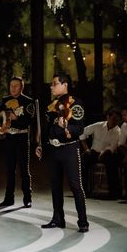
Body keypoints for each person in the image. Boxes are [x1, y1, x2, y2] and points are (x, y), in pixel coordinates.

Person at [37, 73, 89, 233]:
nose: (51, 86)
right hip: (53, 150)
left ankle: (83, 221)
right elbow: (47, 130)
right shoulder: (51, 105)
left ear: (64, 85)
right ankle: (58, 219)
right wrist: (41, 145)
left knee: (75, 185)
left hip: (69, 149)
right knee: (55, 186)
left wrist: (66, 125)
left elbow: (79, 129)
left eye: (54, 84)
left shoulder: (75, 103)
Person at [0, 76, 36, 208]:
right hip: (9, 138)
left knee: (24, 170)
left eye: (16, 86)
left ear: (22, 87)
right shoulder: (5, 100)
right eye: (11, 86)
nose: (13, 88)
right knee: (9, 169)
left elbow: (28, 122)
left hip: (22, 138)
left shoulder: (28, 102)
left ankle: (27, 198)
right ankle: (8, 199)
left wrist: (14, 117)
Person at [80, 108, 121, 199]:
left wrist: (104, 153)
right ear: (108, 117)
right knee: (84, 160)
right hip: (94, 152)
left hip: (107, 153)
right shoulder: (98, 126)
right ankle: (83, 191)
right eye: (113, 118)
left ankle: (113, 193)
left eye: (117, 119)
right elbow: (82, 133)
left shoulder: (118, 130)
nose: (115, 121)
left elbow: (113, 147)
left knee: (112, 163)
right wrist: (86, 148)